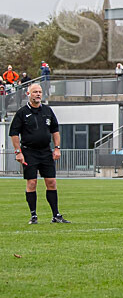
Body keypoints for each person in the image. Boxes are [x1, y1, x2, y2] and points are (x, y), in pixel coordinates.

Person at [9, 83, 69, 225]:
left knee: (51, 182)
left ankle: (56, 215)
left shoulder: (47, 111)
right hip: (29, 152)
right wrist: (18, 152)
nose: (38, 94)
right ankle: (33, 215)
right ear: (28, 94)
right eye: (35, 92)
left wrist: (57, 148)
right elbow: (13, 133)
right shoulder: (22, 113)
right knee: (32, 182)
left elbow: (55, 130)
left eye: (40, 92)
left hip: (45, 152)